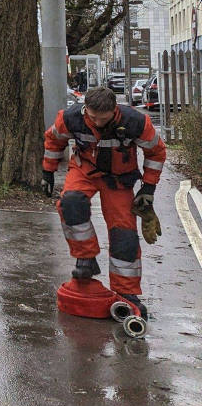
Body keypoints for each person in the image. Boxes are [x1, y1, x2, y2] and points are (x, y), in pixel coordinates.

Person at [43, 86, 166, 317]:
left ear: (114, 111)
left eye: (103, 118)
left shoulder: (136, 123)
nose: (97, 122)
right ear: (85, 110)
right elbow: (54, 139)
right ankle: (86, 259)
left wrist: (148, 188)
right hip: (84, 171)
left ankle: (126, 293)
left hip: (118, 179)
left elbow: (156, 152)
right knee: (70, 203)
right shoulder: (71, 118)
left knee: (124, 234)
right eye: (92, 117)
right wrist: (47, 171)